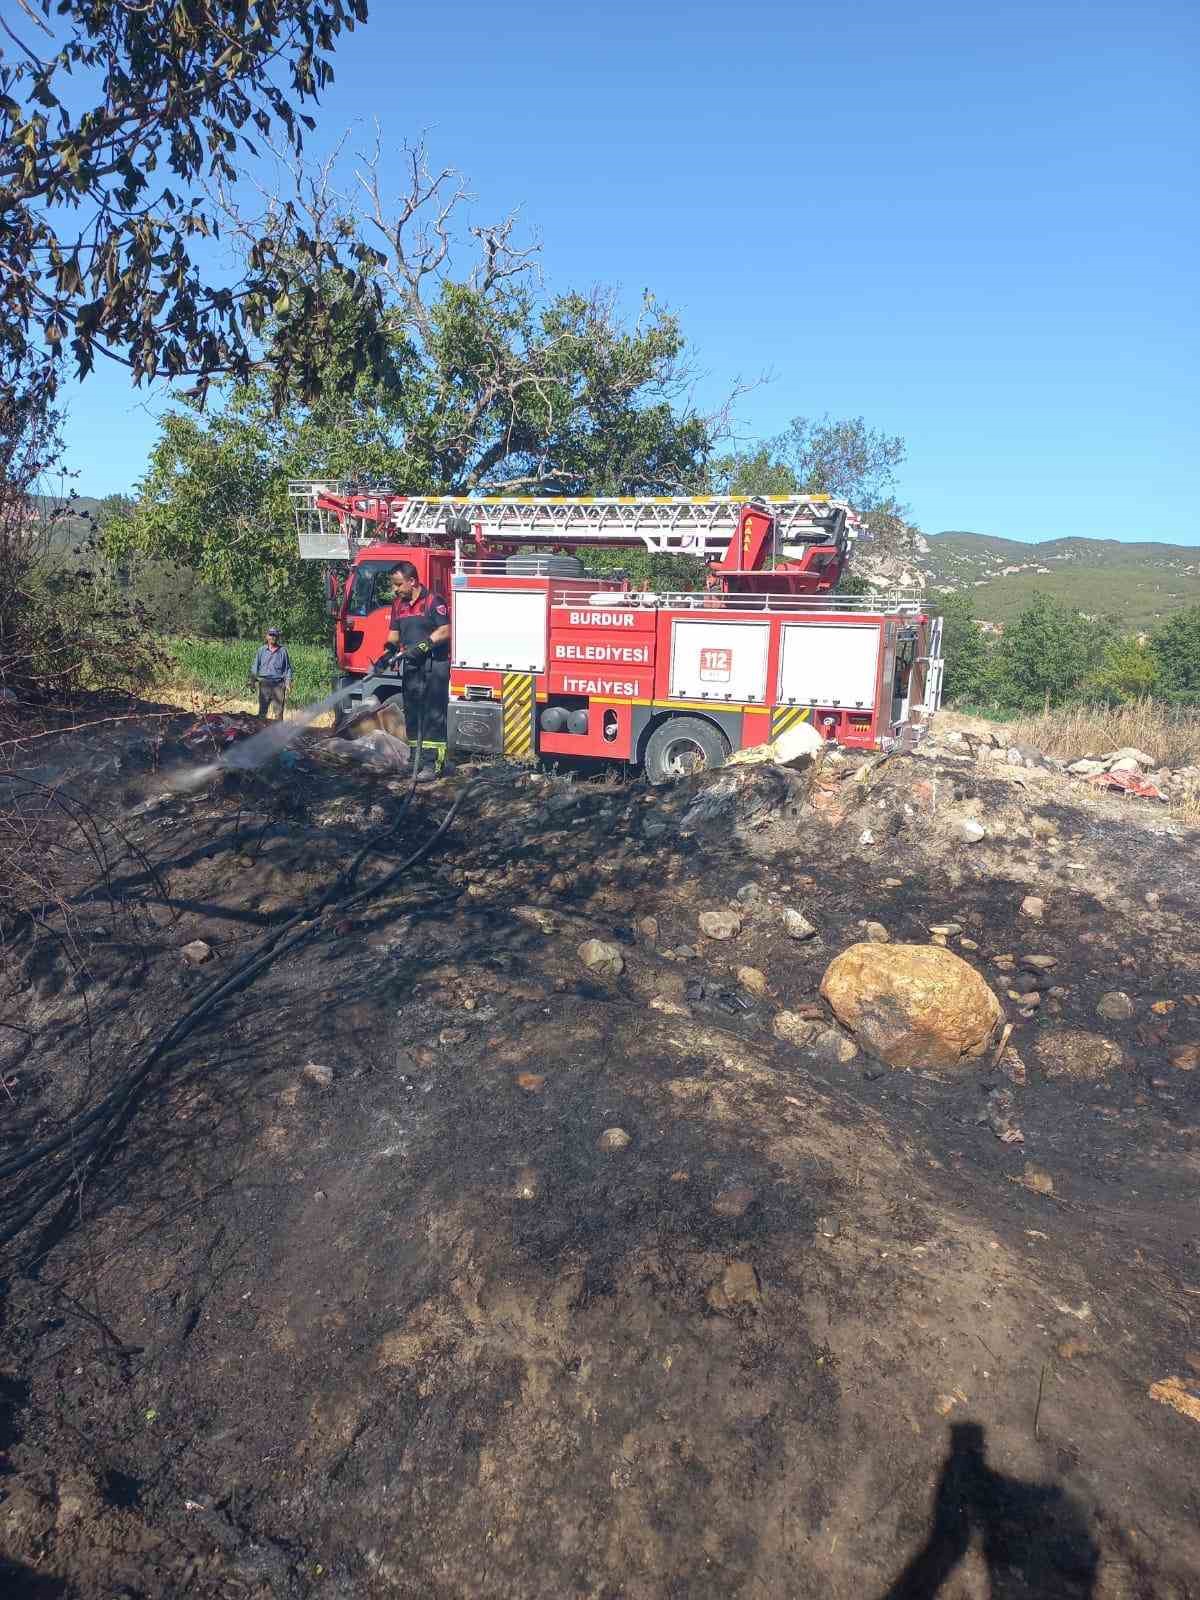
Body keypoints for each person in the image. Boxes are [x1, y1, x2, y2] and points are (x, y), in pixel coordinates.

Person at [376, 561, 451, 766]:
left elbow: (445, 630)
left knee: (433, 714)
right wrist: (387, 654)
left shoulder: (433, 602)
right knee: (412, 712)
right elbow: (393, 636)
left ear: (412, 581)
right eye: (394, 585)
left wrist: (424, 646)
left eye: (398, 584)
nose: (395, 589)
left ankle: (432, 763)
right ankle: (415, 759)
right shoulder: (398, 605)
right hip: (411, 667)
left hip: (434, 666)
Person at [248, 627, 293, 719]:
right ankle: (262, 731)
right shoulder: (261, 650)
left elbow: (287, 669)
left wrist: (288, 683)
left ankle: (278, 732)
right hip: (264, 684)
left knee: (278, 713)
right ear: (267, 637)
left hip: (278, 685)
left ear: (278, 637)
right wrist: (252, 681)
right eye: (271, 635)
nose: (272, 637)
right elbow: (255, 667)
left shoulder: (283, 651)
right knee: (262, 712)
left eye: (275, 635)